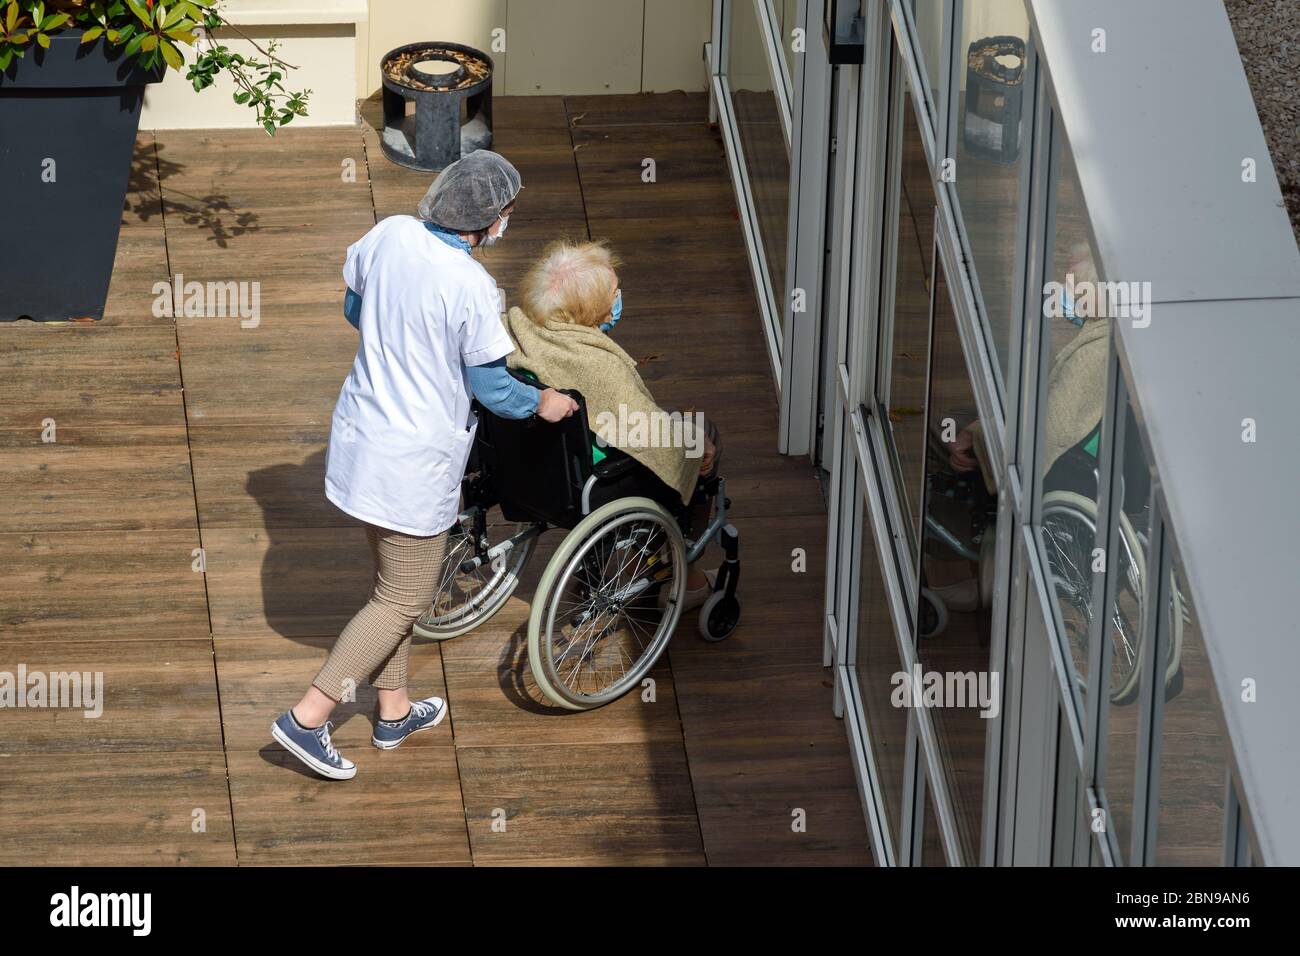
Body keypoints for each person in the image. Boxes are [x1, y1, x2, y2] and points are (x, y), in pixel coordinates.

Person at [270, 150, 579, 781]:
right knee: (403, 597)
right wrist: (544, 402)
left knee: (391, 586)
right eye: (506, 213)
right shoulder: (471, 287)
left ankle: (393, 710)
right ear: (485, 221)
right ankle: (307, 718)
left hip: (362, 437)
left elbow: (355, 309)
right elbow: (493, 389)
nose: (507, 224)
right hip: (410, 460)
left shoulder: (390, 233)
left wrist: (400, 332)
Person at [504, 239, 722, 608]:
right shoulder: (600, 368)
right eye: (614, 292)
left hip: (533, 469)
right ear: (591, 308)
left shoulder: (515, 330)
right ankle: (688, 577)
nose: (619, 297)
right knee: (702, 440)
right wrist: (697, 442)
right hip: (596, 479)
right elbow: (651, 435)